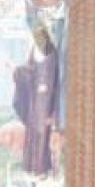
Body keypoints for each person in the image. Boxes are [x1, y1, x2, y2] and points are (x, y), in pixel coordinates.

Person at [12, 23, 60, 178]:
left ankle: (41, 170)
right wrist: (18, 71)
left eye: (40, 37)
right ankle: (30, 168)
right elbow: (30, 70)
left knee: (42, 134)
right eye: (36, 38)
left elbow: (53, 79)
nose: (38, 41)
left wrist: (46, 90)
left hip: (46, 102)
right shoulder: (34, 52)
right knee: (33, 132)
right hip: (34, 102)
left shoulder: (52, 55)